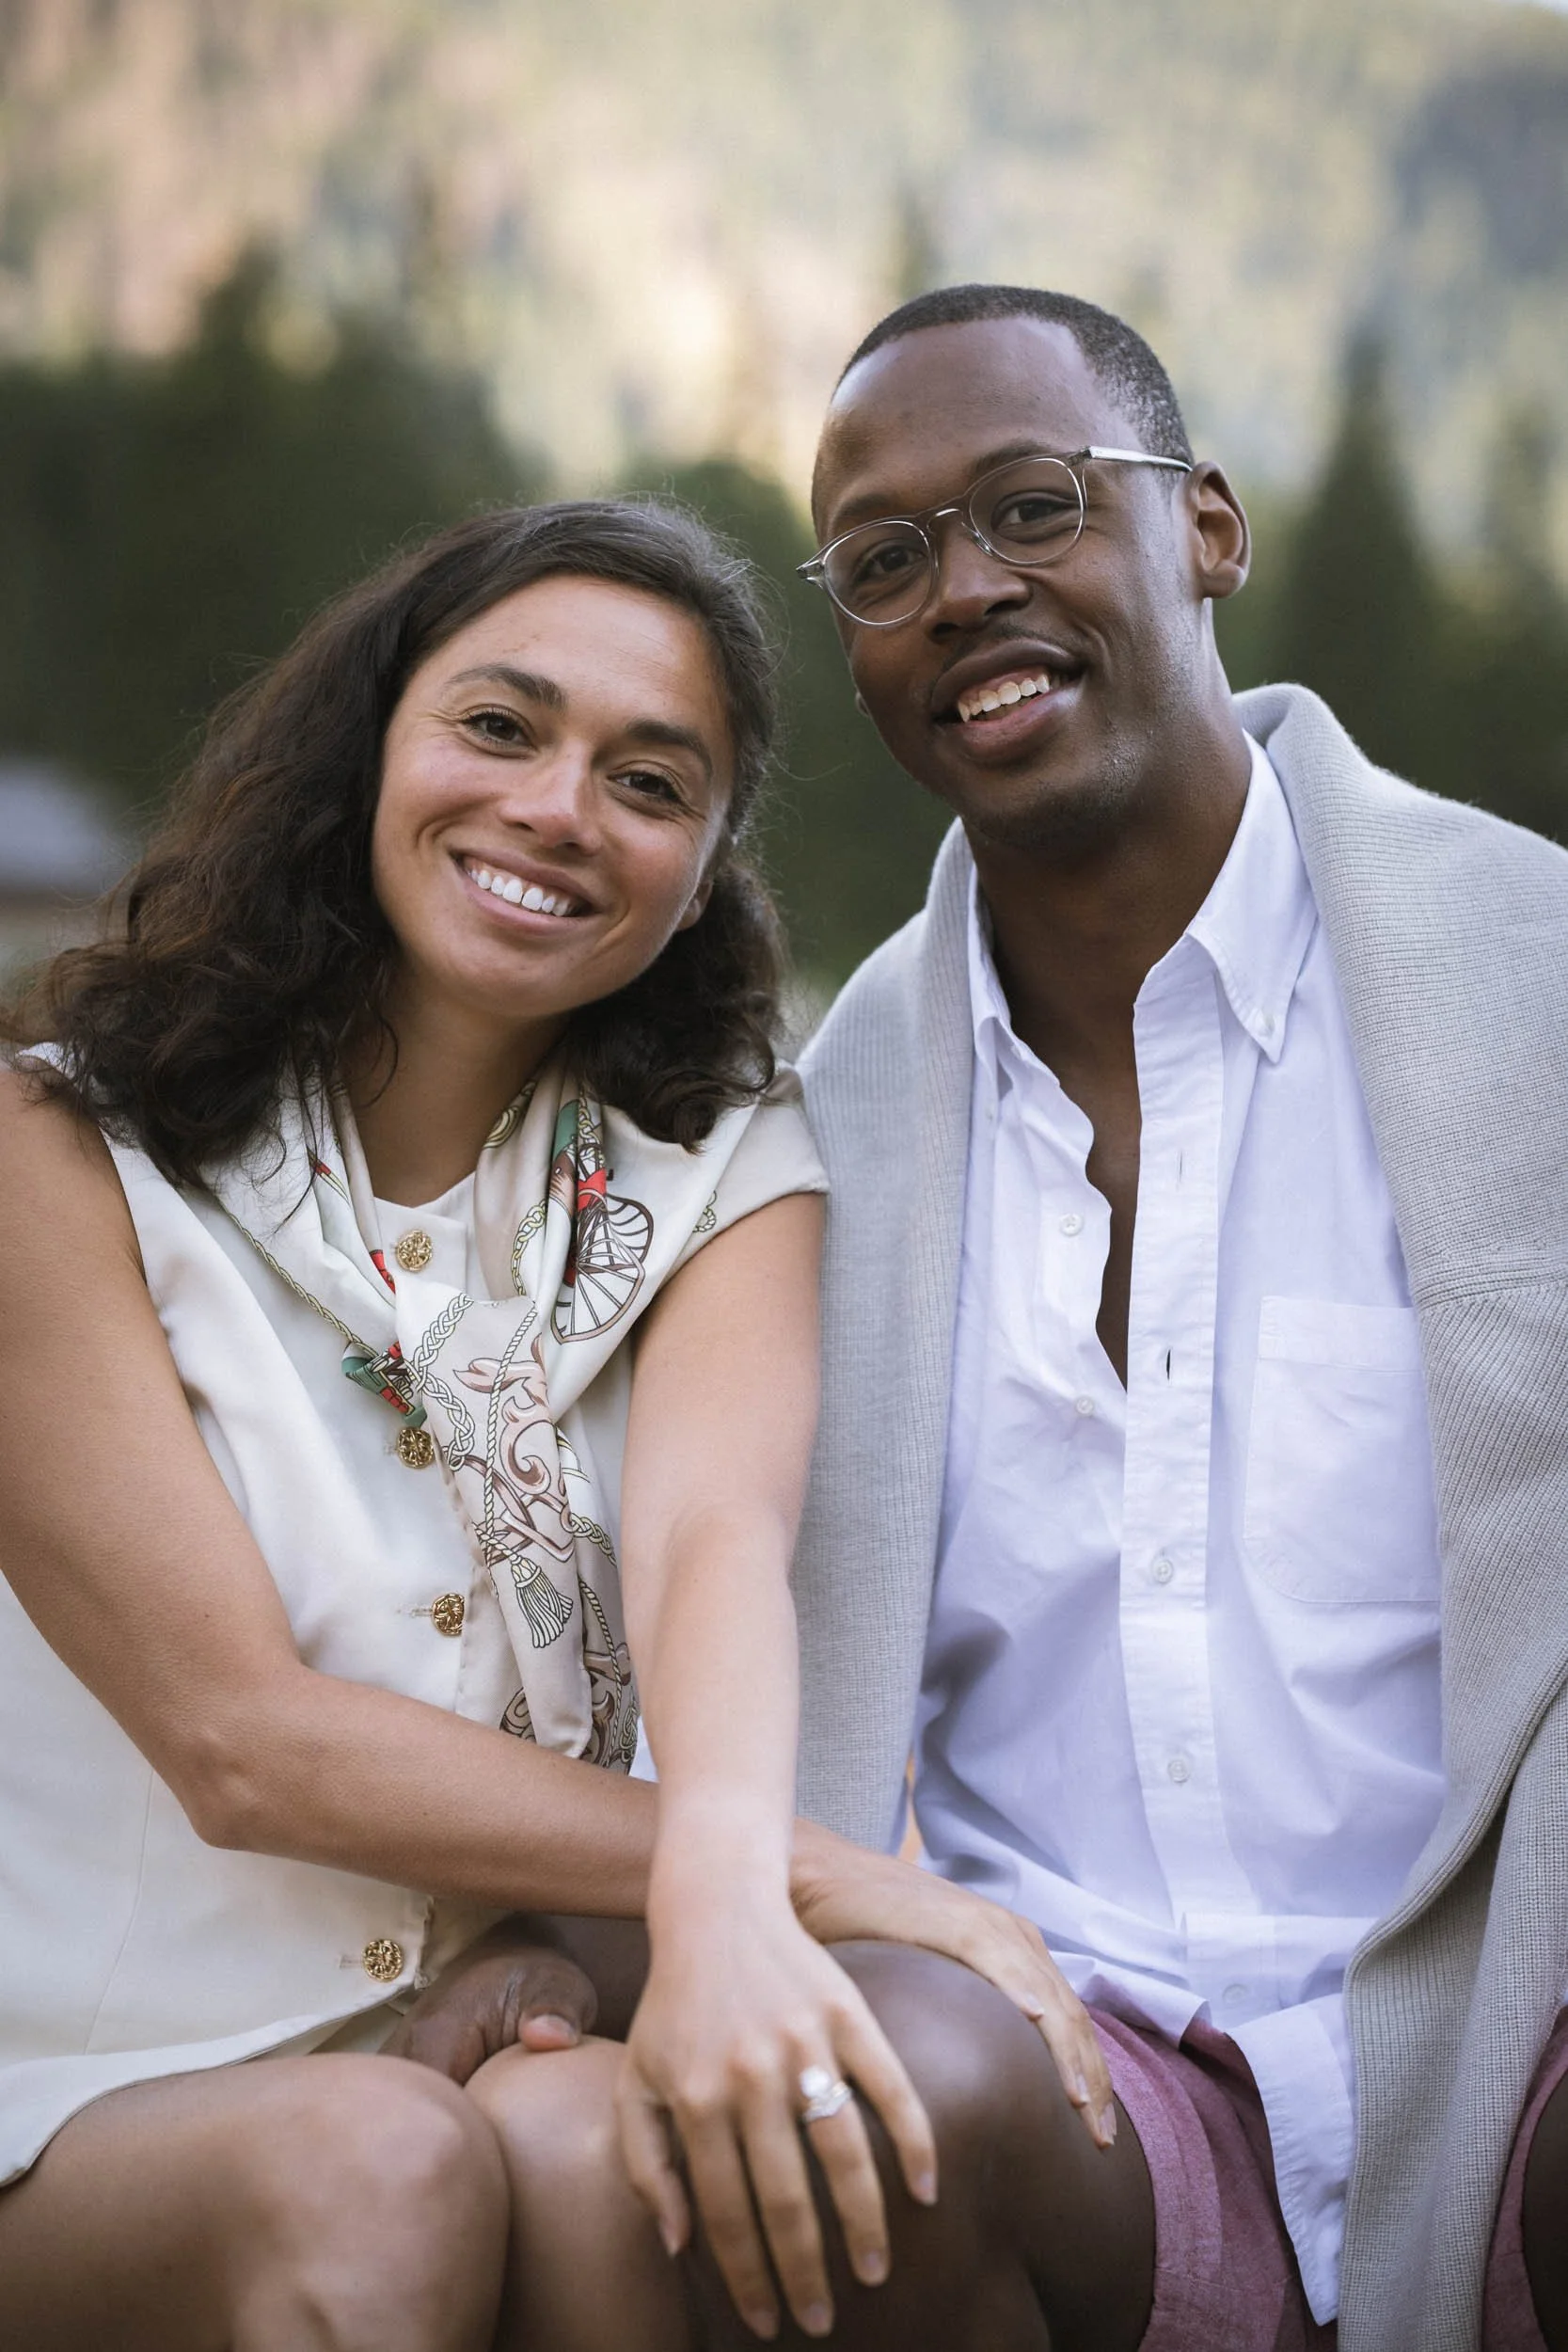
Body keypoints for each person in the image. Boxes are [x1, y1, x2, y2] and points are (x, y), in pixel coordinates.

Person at [0, 498, 1109, 2352]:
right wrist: (785, 1876)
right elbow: (240, 1741)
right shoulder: (62, 1152)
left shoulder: (720, 1169)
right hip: (73, 2083)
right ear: (374, 744)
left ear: (700, 867)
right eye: (500, 726)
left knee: (628, 2153)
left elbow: (707, 1548)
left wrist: (676, 1932)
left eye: (649, 780)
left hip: (485, 2021)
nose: (556, 809)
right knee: (380, 2165)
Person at [781, 286, 1568, 2352]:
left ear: (1202, 526)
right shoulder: (819, 1130)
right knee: (851, 2100)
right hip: (1071, 2048)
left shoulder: (1537, 978)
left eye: (1030, 505)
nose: (962, 589)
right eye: (882, 560)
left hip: (1516, 2015)